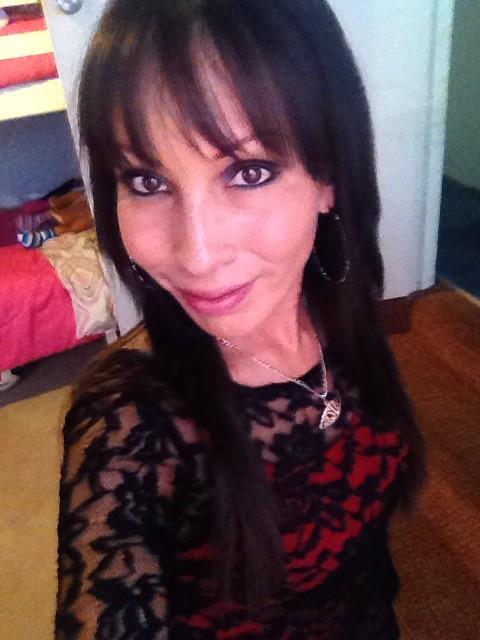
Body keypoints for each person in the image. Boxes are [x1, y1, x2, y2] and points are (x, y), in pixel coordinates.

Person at [55, 0, 427, 638]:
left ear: (328, 177)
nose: (197, 256)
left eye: (249, 172)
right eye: (146, 182)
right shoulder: (130, 419)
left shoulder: (334, 300)